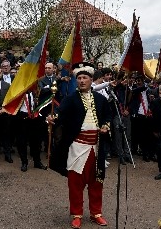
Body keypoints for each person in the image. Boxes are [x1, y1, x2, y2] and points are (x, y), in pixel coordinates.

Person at [48, 62, 111, 228]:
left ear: (91, 80)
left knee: (97, 181)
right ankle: (77, 214)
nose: (82, 81)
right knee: (75, 183)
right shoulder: (70, 99)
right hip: (78, 146)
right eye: (79, 78)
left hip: (96, 147)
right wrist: (51, 119)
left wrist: (106, 126)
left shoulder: (101, 99)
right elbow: (59, 116)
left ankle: (96, 213)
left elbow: (108, 117)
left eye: (85, 78)